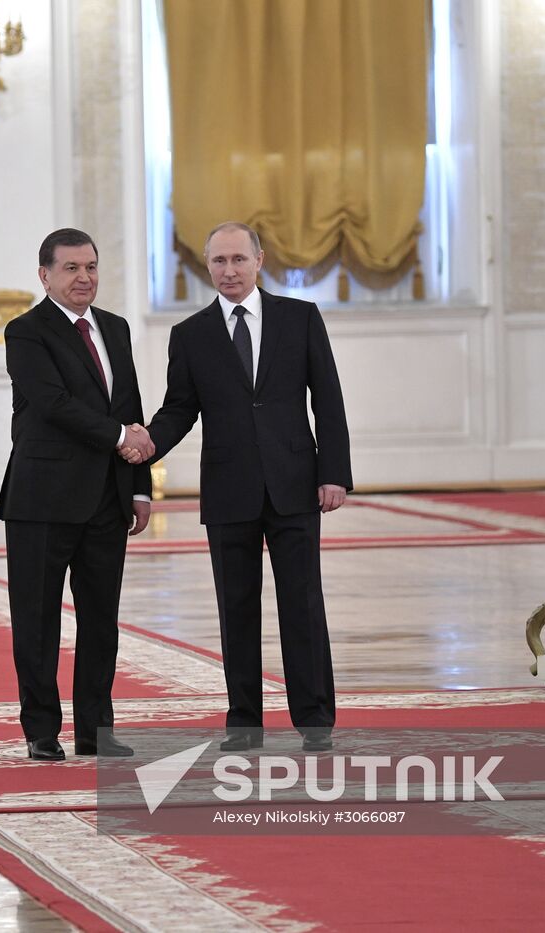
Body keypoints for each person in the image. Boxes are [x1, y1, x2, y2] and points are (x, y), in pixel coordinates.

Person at [130, 221, 351, 752]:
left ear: (259, 261)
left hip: (296, 484)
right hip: (229, 489)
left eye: (237, 260)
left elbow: (328, 397)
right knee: (236, 608)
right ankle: (244, 722)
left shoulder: (299, 318)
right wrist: (143, 444)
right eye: (218, 262)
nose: (228, 271)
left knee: (303, 602)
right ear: (207, 267)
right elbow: (180, 408)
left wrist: (334, 472)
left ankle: (315, 719)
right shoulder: (191, 335)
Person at [0, 227, 155, 761]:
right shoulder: (26, 332)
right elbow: (52, 403)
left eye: (90, 267)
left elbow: (128, 405)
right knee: (37, 620)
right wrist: (119, 438)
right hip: (42, 499)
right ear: (45, 275)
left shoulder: (116, 328)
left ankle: (96, 731)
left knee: (101, 620)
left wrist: (139, 488)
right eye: (70, 268)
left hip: (107, 499)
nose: (83, 277)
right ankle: (42, 731)